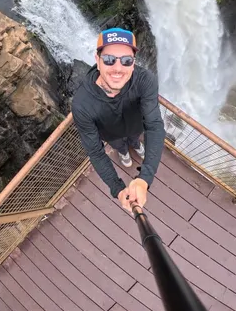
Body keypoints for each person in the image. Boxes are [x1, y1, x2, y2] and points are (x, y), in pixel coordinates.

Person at [71, 28, 165, 211]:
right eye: (109, 60)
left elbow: (153, 125)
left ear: (133, 63)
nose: (117, 68)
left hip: (136, 128)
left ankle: (135, 145)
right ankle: (124, 151)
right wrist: (118, 189)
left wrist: (144, 179)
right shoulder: (82, 105)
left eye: (126, 61)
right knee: (120, 146)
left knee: (134, 140)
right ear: (97, 61)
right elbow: (96, 152)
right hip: (112, 135)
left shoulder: (145, 80)